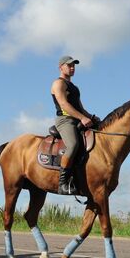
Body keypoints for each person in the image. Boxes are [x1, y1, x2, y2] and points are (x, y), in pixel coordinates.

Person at [50, 55, 99, 195]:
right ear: (61, 67)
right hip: (65, 120)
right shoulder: (58, 83)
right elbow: (64, 104)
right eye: (69, 65)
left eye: (74, 66)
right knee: (73, 145)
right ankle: (63, 183)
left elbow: (80, 107)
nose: (72, 68)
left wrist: (92, 117)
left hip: (77, 118)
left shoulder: (74, 87)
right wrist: (82, 118)